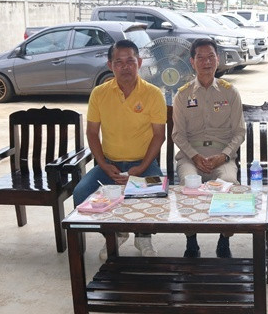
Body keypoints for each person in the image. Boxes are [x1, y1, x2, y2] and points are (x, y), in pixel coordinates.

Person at [72, 39, 167, 260]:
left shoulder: (153, 94)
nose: (125, 67)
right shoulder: (99, 93)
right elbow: (92, 133)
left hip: (143, 164)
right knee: (81, 194)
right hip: (109, 165)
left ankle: (143, 236)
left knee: (158, 192)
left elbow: (159, 135)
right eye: (119, 62)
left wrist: (141, 168)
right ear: (110, 65)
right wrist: (104, 165)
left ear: (139, 63)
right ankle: (114, 234)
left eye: (130, 61)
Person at [172, 38, 245, 258]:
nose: (206, 62)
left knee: (229, 183)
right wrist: (194, 157)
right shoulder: (183, 94)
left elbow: (239, 132)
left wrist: (224, 156)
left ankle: (224, 239)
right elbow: (178, 134)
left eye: (211, 57)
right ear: (192, 62)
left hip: (221, 156)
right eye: (200, 58)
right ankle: (191, 241)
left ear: (218, 59)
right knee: (188, 183)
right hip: (190, 157)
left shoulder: (229, 92)